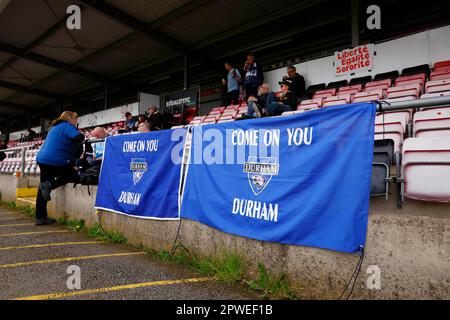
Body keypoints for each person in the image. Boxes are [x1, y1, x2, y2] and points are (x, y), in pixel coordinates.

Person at [35, 111, 84, 226]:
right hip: (55, 160)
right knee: (74, 176)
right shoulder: (67, 126)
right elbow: (79, 137)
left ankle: (40, 217)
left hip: (43, 159)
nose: (76, 121)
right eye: (75, 119)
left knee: (42, 188)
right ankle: (50, 185)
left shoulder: (54, 127)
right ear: (70, 118)